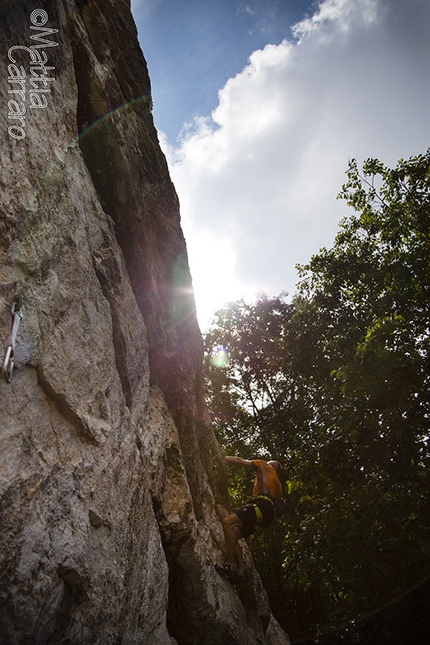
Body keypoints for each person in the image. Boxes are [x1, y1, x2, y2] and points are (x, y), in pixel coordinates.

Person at [215, 456, 283, 584]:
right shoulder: (278, 487)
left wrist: (221, 456)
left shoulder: (264, 465)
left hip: (260, 505)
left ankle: (230, 565)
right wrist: (254, 539)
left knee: (227, 523)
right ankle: (241, 571)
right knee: (233, 534)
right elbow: (269, 514)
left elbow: (239, 461)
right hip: (266, 516)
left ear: (272, 465)